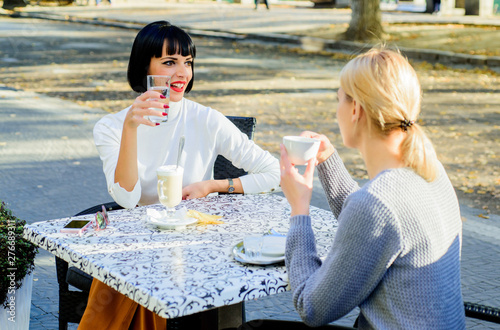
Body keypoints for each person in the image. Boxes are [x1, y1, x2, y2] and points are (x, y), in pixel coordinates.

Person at [79, 20, 280, 329]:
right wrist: (130, 128)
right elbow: (126, 198)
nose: (183, 73)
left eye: (187, 62)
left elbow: (273, 172)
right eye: (169, 62)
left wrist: (213, 185)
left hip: (196, 246)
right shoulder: (110, 127)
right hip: (139, 245)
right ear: (144, 66)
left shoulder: (206, 119)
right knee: (139, 275)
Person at [279, 48, 465, 329]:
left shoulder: (379, 202)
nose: (336, 109)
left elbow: (311, 306)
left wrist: (299, 211)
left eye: (339, 98)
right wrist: (328, 161)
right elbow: (369, 227)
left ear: (356, 110)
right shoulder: (431, 169)